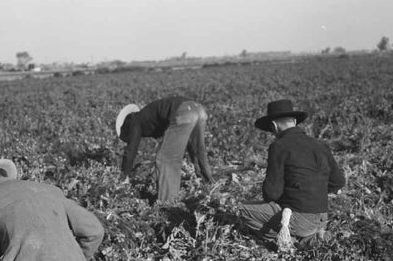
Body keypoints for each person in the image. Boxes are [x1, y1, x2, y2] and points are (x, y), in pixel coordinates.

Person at [238, 99, 345, 244]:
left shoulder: (279, 147)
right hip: (322, 217)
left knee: (243, 210)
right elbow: (338, 181)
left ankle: (294, 241)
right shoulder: (320, 145)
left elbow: (271, 193)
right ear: (294, 121)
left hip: (301, 220)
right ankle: (313, 235)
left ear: (274, 126)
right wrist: (313, 192)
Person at [115, 97, 214, 205]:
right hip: (197, 109)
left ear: (126, 126)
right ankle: (211, 190)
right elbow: (189, 145)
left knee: (165, 160)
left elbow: (130, 151)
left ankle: (167, 204)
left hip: (183, 112)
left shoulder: (135, 121)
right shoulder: (148, 115)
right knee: (198, 152)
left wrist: (124, 176)